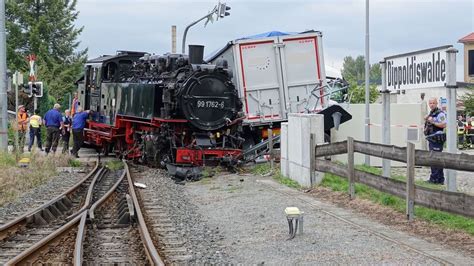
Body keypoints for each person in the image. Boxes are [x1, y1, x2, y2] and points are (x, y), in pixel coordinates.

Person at [423, 97, 447, 184]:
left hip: (437, 139)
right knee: (437, 159)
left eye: (433, 103)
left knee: (434, 159)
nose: (431, 104)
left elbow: (444, 125)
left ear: (437, 104)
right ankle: (440, 179)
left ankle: (434, 179)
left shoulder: (440, 114)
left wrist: (433, 122)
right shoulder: (432, 113)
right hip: (432, 139)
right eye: (430, 103)